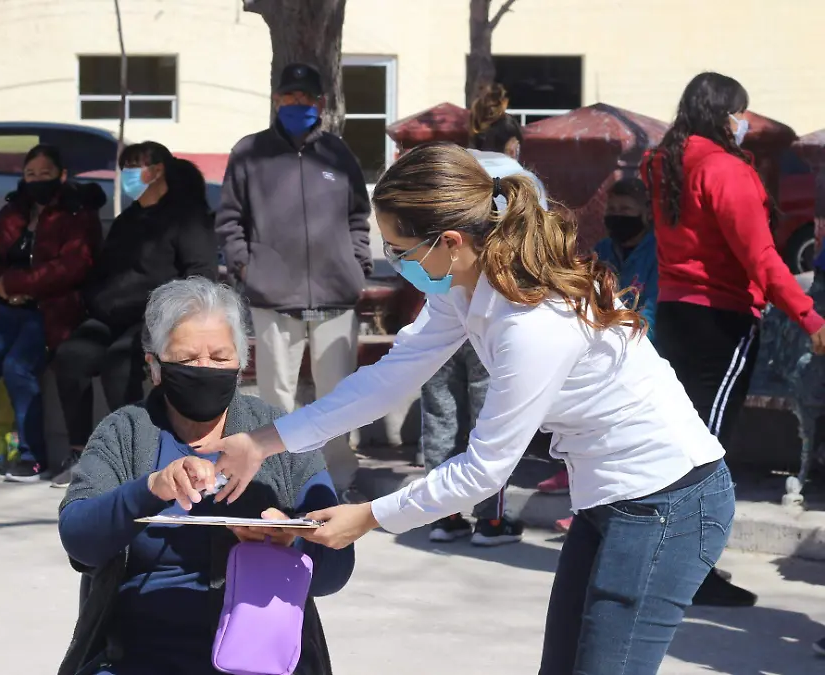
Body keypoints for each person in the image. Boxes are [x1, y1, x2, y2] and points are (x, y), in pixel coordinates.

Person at [202, 142, 736, 675]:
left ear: (451, 241)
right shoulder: (466, 285)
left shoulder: (532, 321)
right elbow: (387, 380)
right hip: (608, 496)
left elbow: (485, 470)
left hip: (666, 502)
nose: (396, 263)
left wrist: (369, 516)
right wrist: (263, 442)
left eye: (401, 251)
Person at [56, 277, 354, 675]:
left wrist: (293, 541)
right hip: (140, 656)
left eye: (219, 357)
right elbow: (79, 541)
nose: (205, 369)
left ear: (240, 363)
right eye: (188, 358)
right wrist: (151, 488)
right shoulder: (125, 432)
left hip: (260, 659)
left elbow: (335, 570)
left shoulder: (279, 435)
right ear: (155, 367)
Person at [643, 72, 825, 608]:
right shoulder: (726, 169)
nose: (744, 123)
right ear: (726, 115)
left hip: (677, 312)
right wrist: (810, 318)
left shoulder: (663, 162)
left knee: (680, 442)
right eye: (740, 112)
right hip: (722, 319)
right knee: (704, 450)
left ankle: (661, 559)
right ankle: (689, 569)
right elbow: (762, 258)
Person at [216, 62, 372, 501]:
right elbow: (230, 220)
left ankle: (339, 480)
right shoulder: (249, 153)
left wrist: (356, 263)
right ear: (277, 99)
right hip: (274, 298)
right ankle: (280, 483)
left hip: (335, 297)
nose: (298, 103)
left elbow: (359, 215)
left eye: (306, 97)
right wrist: (248, 267)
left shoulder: (338, 154)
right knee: (275, 399)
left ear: (320, 103)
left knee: (338, 399)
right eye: (290, 96)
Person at [52, 142, 217, 489]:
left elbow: (201, 274)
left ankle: (132, 457)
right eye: (124, 166)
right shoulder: (128, 218)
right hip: (110, 317)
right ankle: (80, 453)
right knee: (71, 357)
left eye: (134, 166)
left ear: (157, 170)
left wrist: (174, 318)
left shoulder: (186, 216)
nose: (127, 175)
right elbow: (103, 271)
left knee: (119, 364)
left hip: (158, 320)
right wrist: (96, 299)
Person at [421, 84, 543, 546]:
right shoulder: (522, 181)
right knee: (488, 417)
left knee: (440, 412)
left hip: (439, 307)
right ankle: (490, 519)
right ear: (513, 144)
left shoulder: (450, 175)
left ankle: (441, 515)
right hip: (496, 313)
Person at [0, 145, 101, 481]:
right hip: (6, 310)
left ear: (62, 175)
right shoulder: (14, 211)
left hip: (49, 312)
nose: (37, 181)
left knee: (18, 367)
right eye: (30, 174)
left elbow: (72, 267)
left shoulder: (77, 213)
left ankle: (33, 457)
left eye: (45, 174)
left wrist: (15, 283)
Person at [542, 176, 659, 531]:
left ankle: (596, 508)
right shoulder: (604, 250)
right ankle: (578, 482)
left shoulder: (657, 253)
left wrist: (627, 336)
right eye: (613, 210)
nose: (617, 216)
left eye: (626, 210)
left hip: (640, 348)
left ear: (645, 214)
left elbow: (651, 308)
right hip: (602, 345)